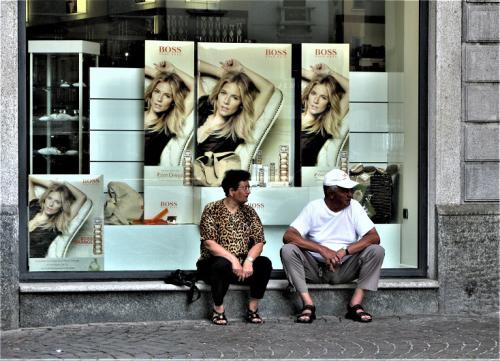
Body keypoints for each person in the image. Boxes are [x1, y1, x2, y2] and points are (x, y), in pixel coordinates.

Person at [281, 169, 384, 323]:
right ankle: (308, 304)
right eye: (345, 191)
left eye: (351, 190)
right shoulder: (314, 208)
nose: (350, 194)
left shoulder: (354, 207)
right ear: (331, 193)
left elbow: (374, 237)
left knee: (376, 250)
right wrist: (323, 250)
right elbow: (288, 236)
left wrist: (345, 251)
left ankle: (355, 304)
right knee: (288, 250)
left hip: (345, 268)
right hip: (315, 269)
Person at [197, 169, 272, 325]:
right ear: (231, 191)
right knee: (221, 264)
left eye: (248, 188)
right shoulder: (212, 209)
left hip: (242, 267)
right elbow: (209, 243)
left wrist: (249, 260)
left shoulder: (249, 212)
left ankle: (252, 309)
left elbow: (259, 241)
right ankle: (218, 310)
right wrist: (233, 260)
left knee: (264, 263)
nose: (248, 192)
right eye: (245, 188)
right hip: (214, 264)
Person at [196, 59, 275, 158]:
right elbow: (194, 63)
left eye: (235, 98)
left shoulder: (239, 127)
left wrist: (241, 69)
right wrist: (224, 74)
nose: (226, 101)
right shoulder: (204, 106)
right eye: (223, 93)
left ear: (241, 104)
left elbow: (268, 88)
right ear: (217, 94)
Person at [144, 60, 194, 166]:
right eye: (157, 92)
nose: (159, 99)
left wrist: (173, 71)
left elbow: (196, 89)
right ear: (151, 93)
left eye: (167, 96)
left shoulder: (168, 125)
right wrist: (162, 76)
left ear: (172, 101)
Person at [301, 63, 349, 166]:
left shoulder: (326, 125)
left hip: (305, 175)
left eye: (323, 97)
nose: (316, 100)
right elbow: (288, 69)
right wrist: (314, 76)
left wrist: (330, 73)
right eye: (313, 93)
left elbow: (353, 90)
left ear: (328, 103)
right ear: (308, 95)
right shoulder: (296, 112)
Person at [28, 177, 87, 258]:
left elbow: (82, 197)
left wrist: (63, 183)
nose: (51, 204)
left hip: (30, 263)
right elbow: (29, 179)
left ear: (62, 206)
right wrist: (55, 186)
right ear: (45, 198)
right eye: (49, 198)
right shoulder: (34, 205)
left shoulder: (57, 223)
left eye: (57, 202)